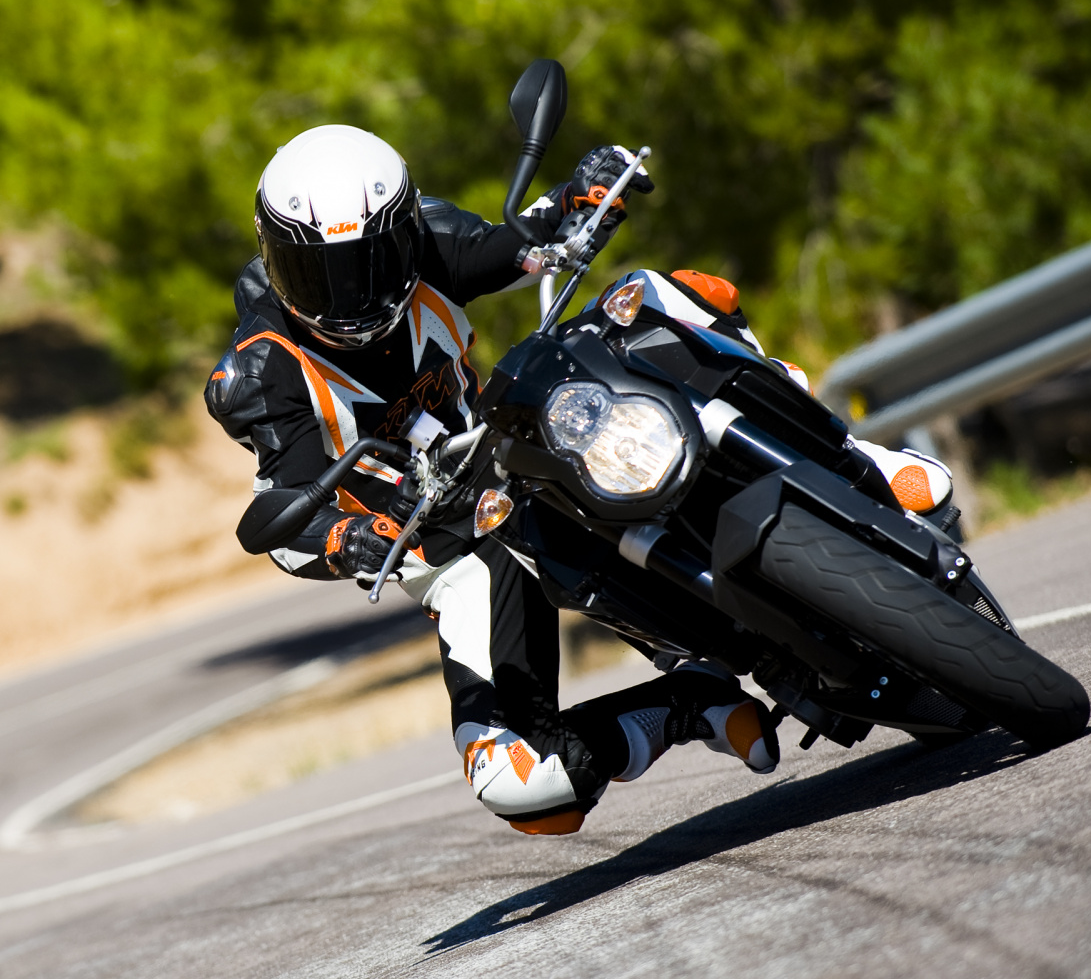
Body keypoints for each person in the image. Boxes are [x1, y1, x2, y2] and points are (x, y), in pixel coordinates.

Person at [205, 125, 955, 835]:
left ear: (402, 232)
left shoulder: (426, 240)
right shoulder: (259, 372)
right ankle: (687, 703)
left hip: (520, 443)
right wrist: (352, 537)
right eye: (318, 272)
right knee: (525, 789)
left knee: (662, 296)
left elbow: (518, 244)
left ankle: (859, 463)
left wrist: (582, 195)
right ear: (273, 256)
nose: (351, 296)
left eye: (369, 263)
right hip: (442, 542)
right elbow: (282, 510)